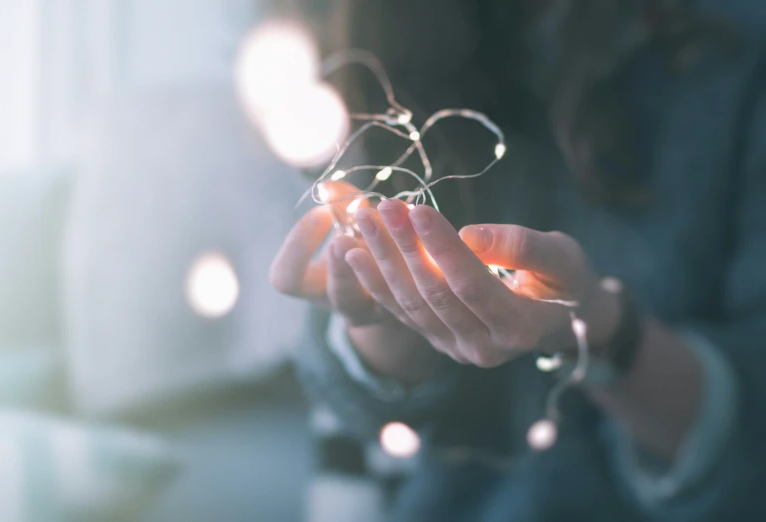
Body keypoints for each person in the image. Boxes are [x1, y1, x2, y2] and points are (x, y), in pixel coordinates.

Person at [270, 0, 766, 520]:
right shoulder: (375, 39)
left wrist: (599, 327)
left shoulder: (733, 53)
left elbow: (750, 439)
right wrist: (383, 320)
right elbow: (356, 407)